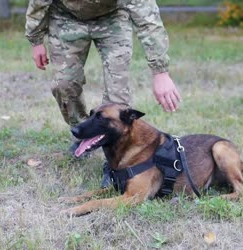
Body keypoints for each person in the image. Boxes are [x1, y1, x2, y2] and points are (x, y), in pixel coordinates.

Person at [25, 0, 181, 186]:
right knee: (64, 85)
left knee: (117, 97)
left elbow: (148, 19)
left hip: (112, 17)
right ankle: (87, 136)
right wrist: (35, 40)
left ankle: (114, 162)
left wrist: (160, 72)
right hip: (66, 17)